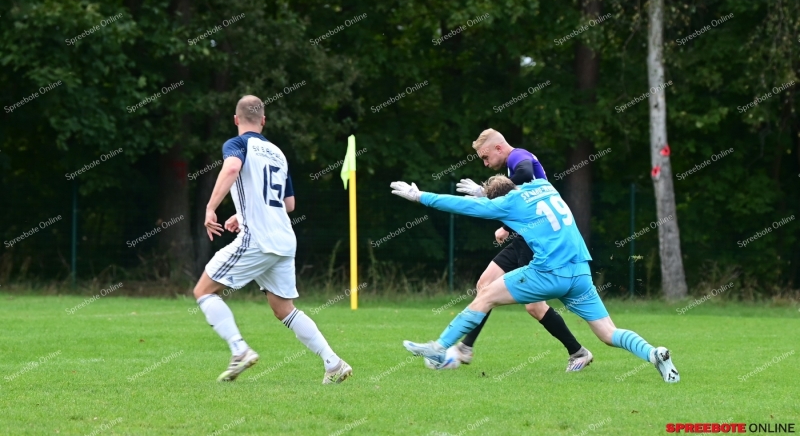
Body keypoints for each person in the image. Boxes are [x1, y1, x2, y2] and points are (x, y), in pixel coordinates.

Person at [390, 175, 679, 383]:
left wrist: (420, 196)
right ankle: (654, 354)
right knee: (608, 333)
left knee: (486, 294)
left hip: (547, 273)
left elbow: (464, 207)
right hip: (579, 273)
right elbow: (525, 172)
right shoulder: (544, 185)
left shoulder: (509, 205)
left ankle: (441, 349)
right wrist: (483, 190)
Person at [192, 94, 352, 384]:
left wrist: (211, 207)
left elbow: (231, 168)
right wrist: (242, 214)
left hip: (259, 239)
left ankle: (239, 350)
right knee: (284, 310)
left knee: (204, 291)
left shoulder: (237, 143)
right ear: (264, 120)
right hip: (283, 239)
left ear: (236, 120)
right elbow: (288, 203)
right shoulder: (278, 152)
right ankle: (333, 363)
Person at [450, 128, 592, 372]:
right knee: (484, 285)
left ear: (498, 148)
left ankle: (578, 352)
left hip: (536, 242)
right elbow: (522, 199)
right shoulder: (509, 167)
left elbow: (524, 174)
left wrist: (486, 193)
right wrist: (506, 226)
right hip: (523, 238)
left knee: (535, 307)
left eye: (485, 157)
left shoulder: (518, 156)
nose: (485, 164)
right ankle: (465, 348)